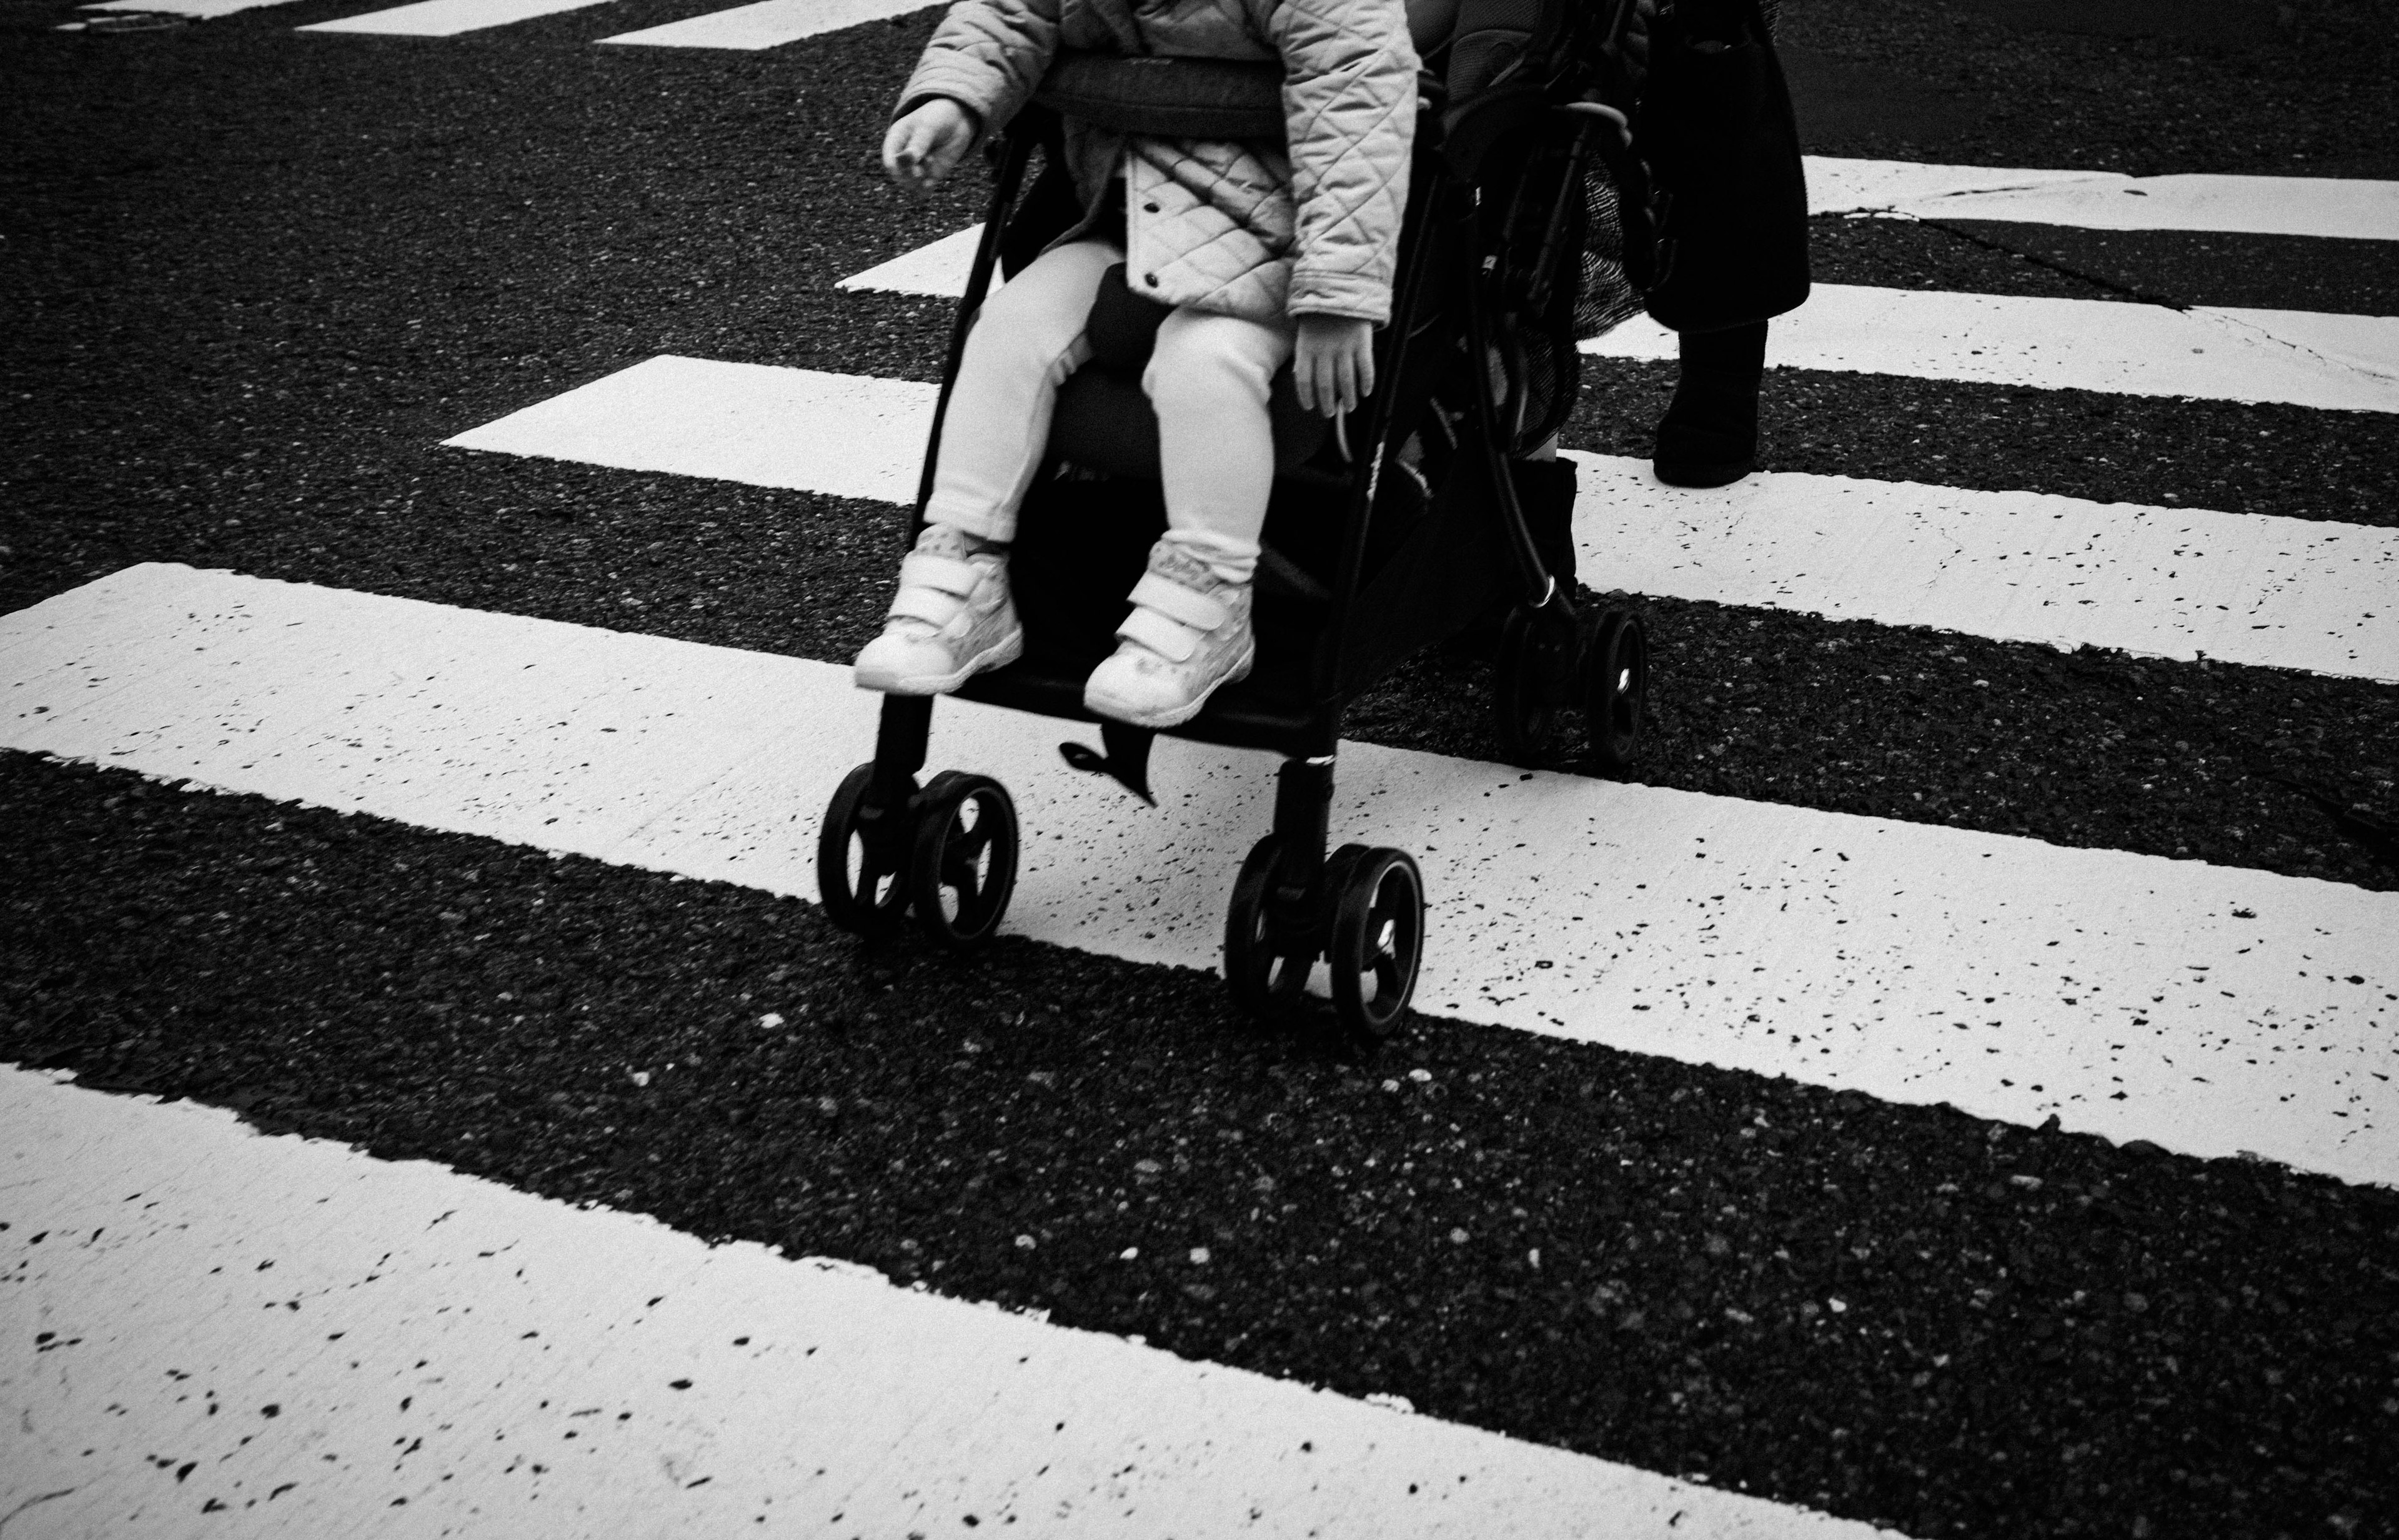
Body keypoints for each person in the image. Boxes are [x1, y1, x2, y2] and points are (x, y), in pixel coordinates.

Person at [853, 0, 1419, 730]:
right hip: (1133, 217)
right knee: (1009, 328)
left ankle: (1212, 599)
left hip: (1281, 236)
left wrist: (1338, 295)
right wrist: (954, 98)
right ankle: (970, 569)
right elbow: (1005, 13)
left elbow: (1358, 101)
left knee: (1204, 360)